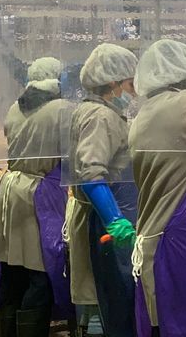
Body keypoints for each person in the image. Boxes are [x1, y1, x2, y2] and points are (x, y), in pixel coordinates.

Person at [129, 40, 186, 337]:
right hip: (179, 241)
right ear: (183, 73)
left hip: (154, 236)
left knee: (160, 326)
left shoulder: (145, 113)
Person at [0, 57, 73, 336]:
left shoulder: (14, 107)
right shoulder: (61, 109)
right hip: (38, 193)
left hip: (11, 189)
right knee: (40, 270)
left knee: (12, 268)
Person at [66, 43, 139, 337]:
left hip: (110, 216)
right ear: (113, 84)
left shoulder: (95, 111)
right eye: (129, 84)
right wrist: (115, 220)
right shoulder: (100, 116)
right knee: (120, 302)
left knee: (114, 300)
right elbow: (91, 174)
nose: (133, 91)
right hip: (111, 220)